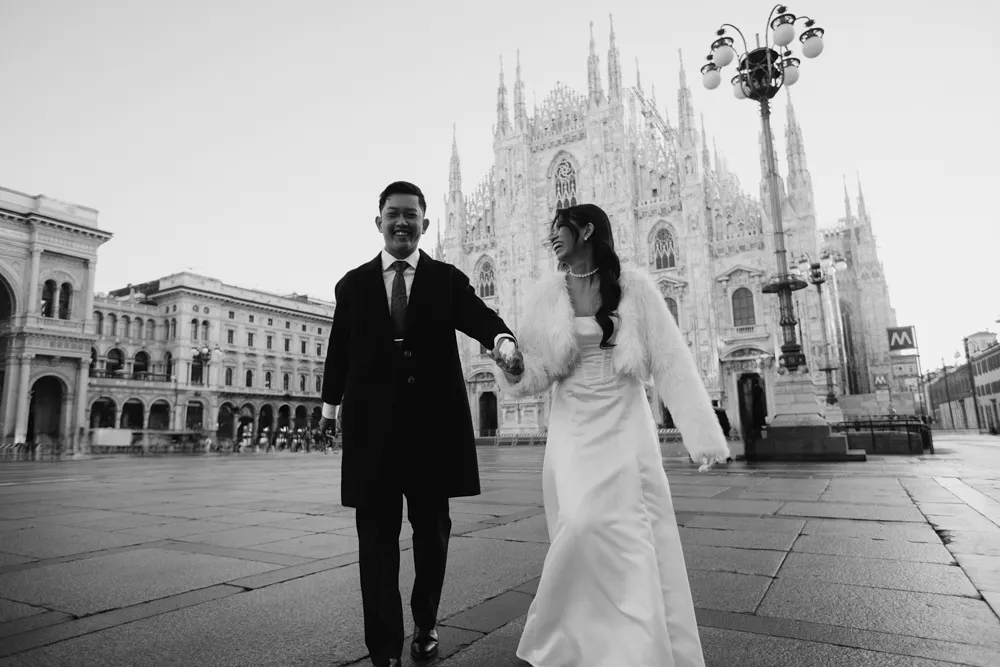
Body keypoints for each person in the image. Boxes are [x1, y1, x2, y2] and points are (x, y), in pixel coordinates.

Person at [496, 203, 729, 667]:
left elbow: (670, 360)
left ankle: (635, 643)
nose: (552, 240)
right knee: (579, 524)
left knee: (629, 532)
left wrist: (702, 436)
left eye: (557, 230)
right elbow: (537, 369)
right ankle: (572, 636)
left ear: (584, 230)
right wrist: (515, 366)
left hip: (624, 418)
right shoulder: (547, 295)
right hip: (573, 421)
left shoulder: (635, 287)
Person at [318, 181, 523, 667]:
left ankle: (426, 620)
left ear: (425, 224)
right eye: (394, 214)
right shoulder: (352, 284)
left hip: (432, 433)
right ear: (379, 222)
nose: (402, 222)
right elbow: (338, 351)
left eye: (411, 215)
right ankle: (384, 647)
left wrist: (502, 339)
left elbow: (481, 316)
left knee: (431, 535)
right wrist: (329, 410)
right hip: (372, 435)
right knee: (375, 542)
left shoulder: (447, 279)